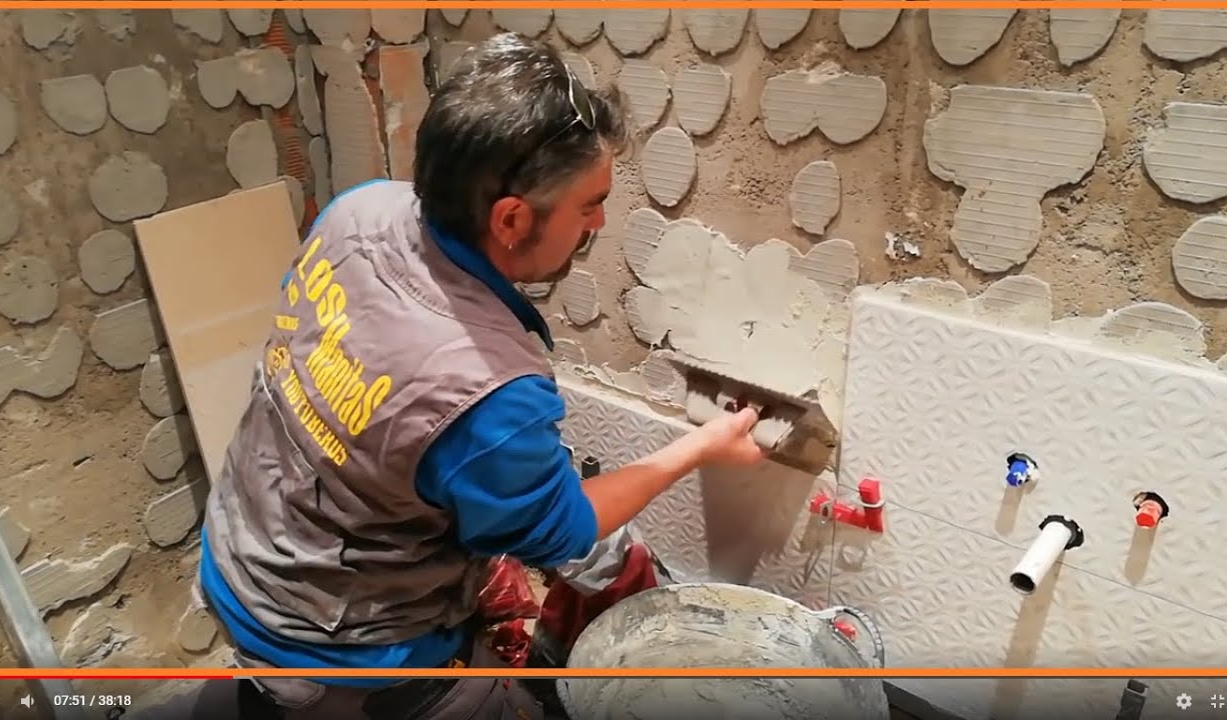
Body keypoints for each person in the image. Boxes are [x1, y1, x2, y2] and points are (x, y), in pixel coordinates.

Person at [131, 33, 764, 720]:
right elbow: (568, 532)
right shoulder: (489, 392)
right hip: (334, 642)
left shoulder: (360, 211)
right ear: (513, 218)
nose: (600, 224)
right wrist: (697, 448)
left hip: (240, 553)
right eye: (589, 206)